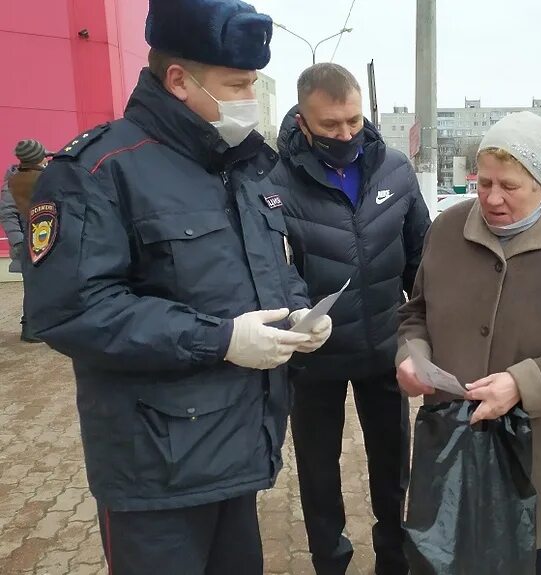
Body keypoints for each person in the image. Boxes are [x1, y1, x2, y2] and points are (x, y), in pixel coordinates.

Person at [22, 1, 332, 573]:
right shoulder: (97, 170)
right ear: (178, 81)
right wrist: (219, 340)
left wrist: (299, 312)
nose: (249, 97)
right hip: (154, 469)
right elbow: (70, 310)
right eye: (237, 84)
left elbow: (267, 266)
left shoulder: (239, 166)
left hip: (237, 449)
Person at [395, 111, 541, 575]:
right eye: (483, 183)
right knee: (442, 555)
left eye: (509, 186)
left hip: (535, 451)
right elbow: (416, 312)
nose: (492, 198)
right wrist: (412, 355)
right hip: (450, 444)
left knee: (528, 555)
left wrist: (523, 383)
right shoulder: (447, 230)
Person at [270, 63, 430, 575]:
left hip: (385, 349)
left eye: (353, 122)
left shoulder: (396, 171)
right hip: (314, 358)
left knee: (392, 469)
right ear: (302, 119)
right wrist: (297, 313)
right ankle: (330, 561)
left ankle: (393, 560)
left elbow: (420, 260)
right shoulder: (273, 183)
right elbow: (272, 268)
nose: (345, 135)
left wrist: (424, 335)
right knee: (318, 475)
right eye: (330, 125)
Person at [1, 140, 49, 342]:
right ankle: (30, 328)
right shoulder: (13, 183)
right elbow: (8, 214)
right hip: (30, 242)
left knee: (47, 284)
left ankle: (42, 326)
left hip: (45, 238)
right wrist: (19, 242)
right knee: (34, 285)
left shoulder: (40, 176)